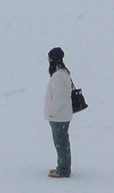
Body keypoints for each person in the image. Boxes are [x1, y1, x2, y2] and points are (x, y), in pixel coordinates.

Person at [44, 47, 75, 178]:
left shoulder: (58, 77)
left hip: (59, 116)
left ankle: (63, 169)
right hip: (62, 114)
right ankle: (62, 166)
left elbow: (58, 99)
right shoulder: (64, 73)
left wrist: (51, 112)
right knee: (62, 142)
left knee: (61, 143)